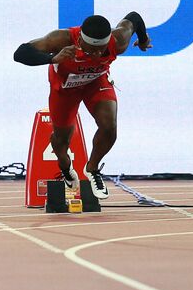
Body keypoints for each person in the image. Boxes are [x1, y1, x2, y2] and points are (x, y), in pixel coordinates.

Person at [13, 11, 152, 199]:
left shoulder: (118, 40)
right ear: (80, 40)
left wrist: (143, 39)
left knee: (109, 126)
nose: (95, 54)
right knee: (61, 140)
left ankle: (92, 169)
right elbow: (20, 53)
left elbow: (134, 18)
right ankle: (65, 168)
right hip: (65, 89)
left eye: (100, 50)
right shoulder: (61, 39)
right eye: (89, 50)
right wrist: (52, 58)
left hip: (96, 83)